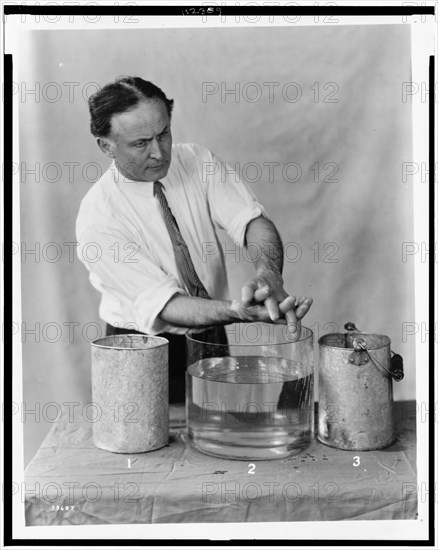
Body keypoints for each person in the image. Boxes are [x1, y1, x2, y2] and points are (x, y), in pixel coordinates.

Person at [76, 76, 313, 402]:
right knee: (153, 447)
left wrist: (268, 273)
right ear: (106, 146)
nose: (159, 153)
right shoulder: (98, 219)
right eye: (141, 143)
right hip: (140, 346)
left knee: (218, 430)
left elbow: (252, 221)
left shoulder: (197, 161)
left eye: (164, 134)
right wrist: (239, 311)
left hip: (211, 328)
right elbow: (168, 306)